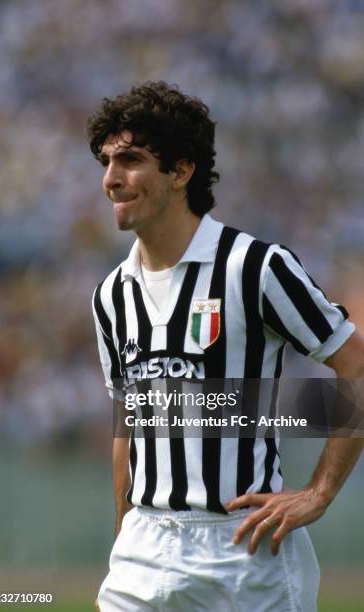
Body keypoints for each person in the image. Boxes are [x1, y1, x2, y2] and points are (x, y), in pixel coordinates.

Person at [87, 81, 364, 612]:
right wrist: (124, 536)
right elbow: (129, 423)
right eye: (106, 162)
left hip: (242, 551)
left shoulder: (256, 267)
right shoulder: (109, 296)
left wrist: (318, 493)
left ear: (182, 171)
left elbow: (355, 365)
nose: (111, 179)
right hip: (142, 550)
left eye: (132, 160)